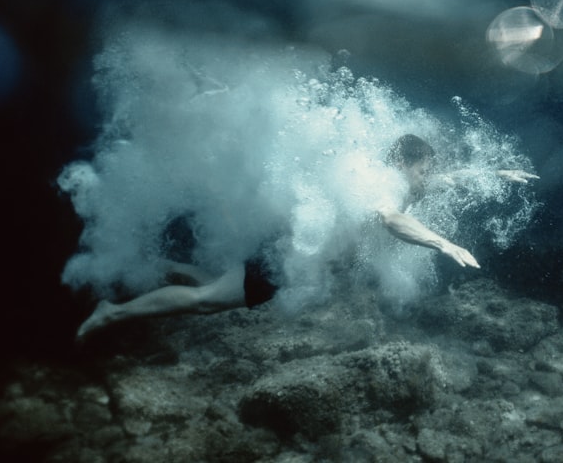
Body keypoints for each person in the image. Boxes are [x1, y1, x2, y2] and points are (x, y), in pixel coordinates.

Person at [75, 134, 537, 341]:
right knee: (210, 301)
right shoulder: (383, 187)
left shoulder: (399, 178)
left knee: (220, 283)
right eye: (424, 169)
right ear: (404, 164)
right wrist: (445, 243)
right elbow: (393, 220)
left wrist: (497, 172)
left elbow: (451, 180)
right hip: (285, 257)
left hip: (291, 248)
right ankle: (111, 313)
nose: (428, 178)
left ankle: (170, 269)